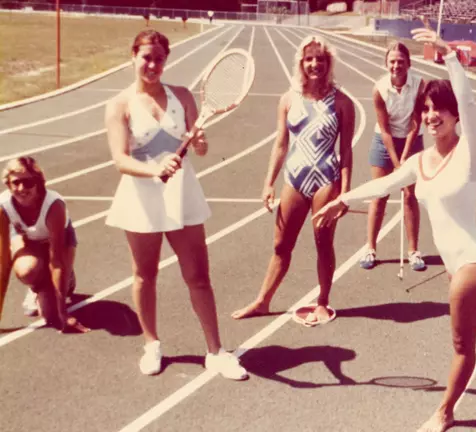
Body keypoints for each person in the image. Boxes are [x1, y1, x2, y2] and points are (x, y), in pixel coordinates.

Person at [313, 27, 476, 431]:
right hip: (457, 265)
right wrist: (343, 199)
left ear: (455, 114)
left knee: (462, 344)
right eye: (426, 109)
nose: (431, 115)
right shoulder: (419, 161)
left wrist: (451, 58)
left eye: (440, 108)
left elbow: (472, 102)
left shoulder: (469, 153)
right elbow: (384, 184)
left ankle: (445, 411)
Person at [104, 29, 246, 380]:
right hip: (140, 196)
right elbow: (121, 160)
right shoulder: (119, 104)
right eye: (146, 57)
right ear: (134, 57)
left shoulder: (182, 96)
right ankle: (152, 344)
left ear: (167, 61)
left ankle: (216, 351)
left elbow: (199, 148)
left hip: (181, 194)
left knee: (198, 276)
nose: (152, 64)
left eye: (159, 59)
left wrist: (198, 141)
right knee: (145, 274)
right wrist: (153, 168)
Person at [231, 35, 354, 325]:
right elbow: (281, 144)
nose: (315, 64)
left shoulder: (342, 103)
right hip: (295, 178)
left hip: (326, 179)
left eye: (320, 59)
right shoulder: (288, 99)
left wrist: (344, 193)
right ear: (301, 62)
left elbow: (346, 150)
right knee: (280, 246)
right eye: (309, 59)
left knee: (323, 243)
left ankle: (323, 301)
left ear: (328, 63)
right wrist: (268, 182)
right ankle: (263, 301)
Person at [0, 157, 87, 333]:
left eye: (28, 182)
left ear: (38, 182)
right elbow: (4, 261)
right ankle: (38, 285)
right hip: (29, 241)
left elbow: (56, 260)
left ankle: (67, 280)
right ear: (8, 185)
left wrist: (64, 313)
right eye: (16, 183)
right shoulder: (3, 206)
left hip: (58, 245)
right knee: (26, 271)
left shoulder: (54, 206)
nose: (22, 189)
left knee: (52, 316)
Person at [360, 41, 426, 272]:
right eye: (392, 62)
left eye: (401, 61)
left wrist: (406, 157)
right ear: (386, 63)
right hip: (384, 140)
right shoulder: (379, 89)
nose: (396, 66)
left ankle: (413, 251)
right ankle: (370, 248)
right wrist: (396, 163)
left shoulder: (419, 85)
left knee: (410, 195)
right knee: (380, 193)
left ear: (409, 63)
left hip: (411, 139)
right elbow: (385, 129)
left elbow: (415, 124)